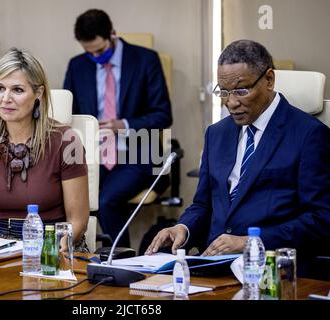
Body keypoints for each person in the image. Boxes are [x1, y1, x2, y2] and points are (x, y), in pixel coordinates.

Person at [146, 40, 330, 277]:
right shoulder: (216, 134)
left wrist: (250, 242)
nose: (231, 102)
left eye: (242, 90)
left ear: (269, 80)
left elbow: (321, 219)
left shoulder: (309, 135)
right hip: (212, 265)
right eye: (223, 92)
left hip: (272, 270)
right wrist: (183, 228)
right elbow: (204, 204)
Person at [0, 48, 90, 251]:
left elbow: (78, 220)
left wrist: (51, 252)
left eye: (18, 90)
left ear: (38, 93)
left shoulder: (67, 141)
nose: (5, 99)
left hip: (52, 245)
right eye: (0, 88)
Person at [64, 9, 172, 247]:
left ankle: (120, 259)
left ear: (112, 34)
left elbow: (163, 115)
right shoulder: (78, 66)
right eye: (89, 53)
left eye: (100, 51)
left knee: (106, 200)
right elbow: (69, 115)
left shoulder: (145, 60)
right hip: (93, 153)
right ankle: (79, 257)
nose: (95, 57)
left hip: (137, 151)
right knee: (70, 194)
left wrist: (122, 125)